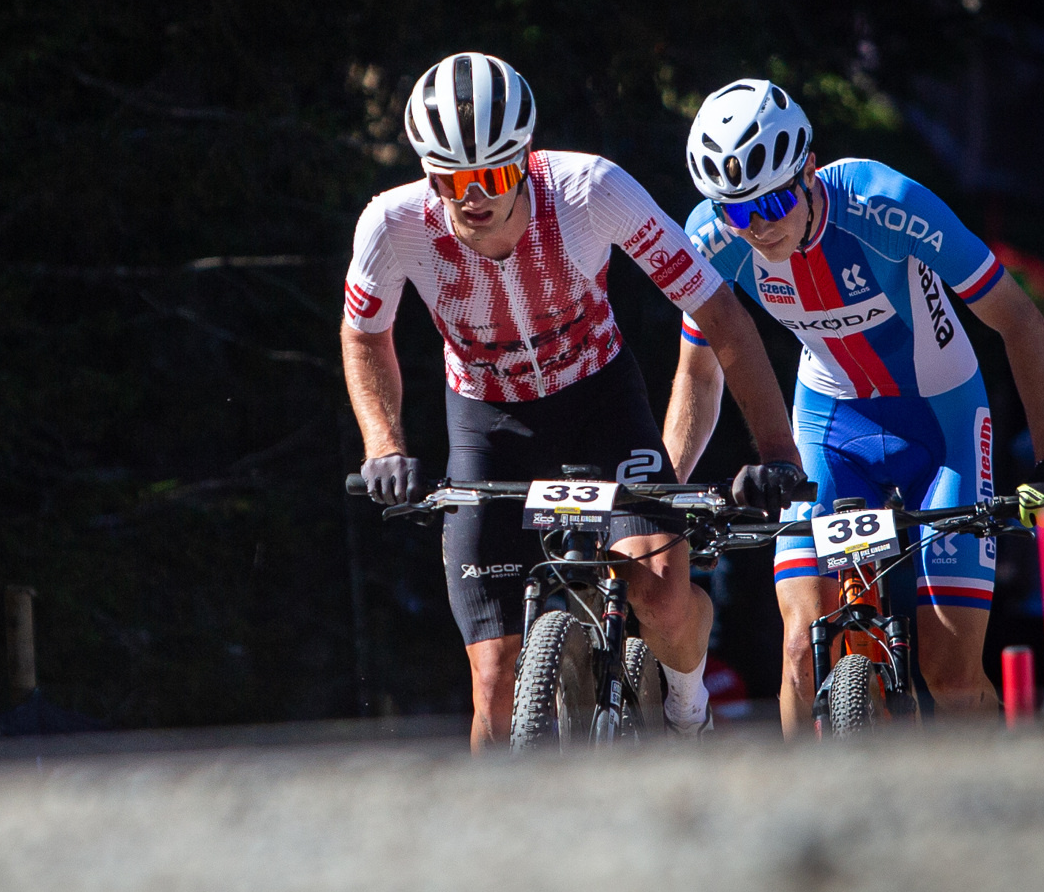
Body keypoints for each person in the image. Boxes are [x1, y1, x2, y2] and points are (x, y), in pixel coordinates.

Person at [341, 53, 803, 750]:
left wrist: (776, 452)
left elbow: (720, 312)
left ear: (525, 160)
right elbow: (364, 336)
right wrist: (385, 444)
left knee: (660, 596)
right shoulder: (391, 224)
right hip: (488, 422)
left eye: (495, 176)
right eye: (453, 181)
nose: (475, 198)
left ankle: (686, 703)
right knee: (494, 683)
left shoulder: (591, 189)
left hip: (600, 406)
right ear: (429, 174)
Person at [663, 79, 1044, 735]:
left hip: (940, 424)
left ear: (809, 171)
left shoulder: (885, 204)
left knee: (951, 671)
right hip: (830, 423)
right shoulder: (710, 237)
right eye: (738, 212)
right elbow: (698, 374)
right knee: (799, 645)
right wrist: (668, 495)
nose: (757, 225)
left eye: (771, 200)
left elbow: (1018, 319)